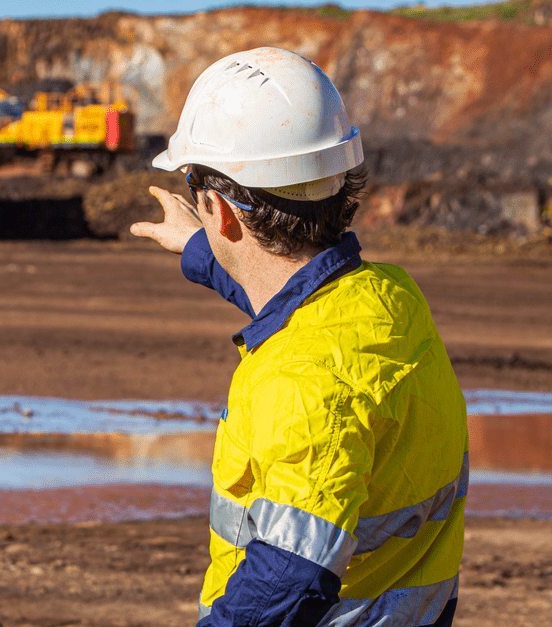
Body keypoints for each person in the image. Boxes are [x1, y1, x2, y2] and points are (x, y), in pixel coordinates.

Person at [130, 48, 468, 627]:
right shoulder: (388, 300)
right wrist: (199, 249)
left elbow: (291, 574)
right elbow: (289, 296)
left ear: (220, 209)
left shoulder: (303, 382)